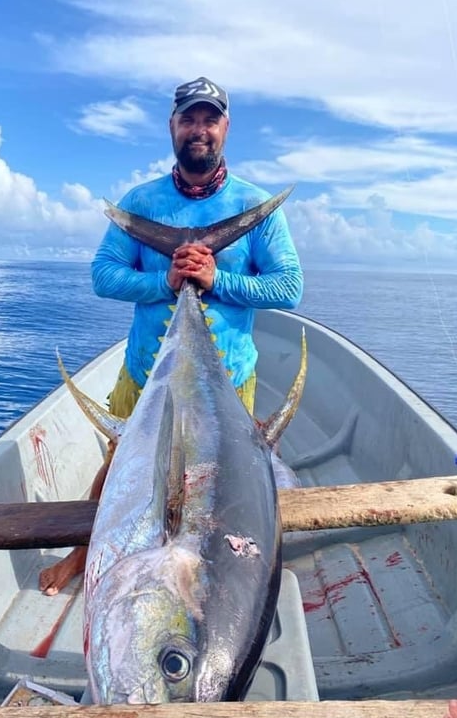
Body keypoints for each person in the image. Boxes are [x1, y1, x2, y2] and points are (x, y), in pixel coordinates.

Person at [38, 76, 303, 596]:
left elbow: (289, 287)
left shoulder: (256, 206)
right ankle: (85, 548)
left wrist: (214, 279)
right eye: (189, 119)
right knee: (120, 467)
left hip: (226, 381)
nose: (198, 129)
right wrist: (166, 279)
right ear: (172, 127)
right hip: (146, 372)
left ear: (225, 127)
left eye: (209, 119)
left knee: (223, 481)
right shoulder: (142, 203)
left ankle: (220, 560)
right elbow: (103, 275)